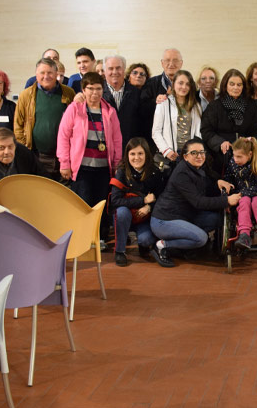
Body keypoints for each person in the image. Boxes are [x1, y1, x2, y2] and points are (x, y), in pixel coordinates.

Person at [150, 137, 241, 267]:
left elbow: (202, 189)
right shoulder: (182, 174)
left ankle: (183, 247)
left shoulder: (196, 168)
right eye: (194, 153)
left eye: (202, 152)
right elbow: (198, 202)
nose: (199, 156)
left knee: (215, 219)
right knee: (201, 238)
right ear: (185, 157)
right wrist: (226, 200)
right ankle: (162, 246)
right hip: (165, 220)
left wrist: (217, 183)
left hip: (184, 215)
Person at [57, 72, 123, 241]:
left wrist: (117, 164)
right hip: (82, 168)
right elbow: (63, 136)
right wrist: (64, 163)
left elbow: (117, 139)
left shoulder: (110, 111)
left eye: (99, 88)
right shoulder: (74, 109)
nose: (95, 92)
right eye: (91, 89)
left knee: (100, 205)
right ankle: (83, 239)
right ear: (83, 90)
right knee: (83, 204)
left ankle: (99, 239)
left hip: (103, 168)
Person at [14, 57, 75, 179]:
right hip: (37, 155)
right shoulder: (26, 95)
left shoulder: (68, 93)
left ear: (56, 74)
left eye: (50, 73)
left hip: (63, 157)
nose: (46, 76)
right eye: (42, 73)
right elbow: (18, 125)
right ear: (36, 75)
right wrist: (25, 150)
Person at [110, 137, 166, 267]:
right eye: (132, 154)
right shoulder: (122, 172)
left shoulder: (155, 172)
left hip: (144, 218)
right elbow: (116, 200)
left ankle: (143, 245)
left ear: (147, 154)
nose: (136, 158)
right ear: (127, 155)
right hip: (125, 216)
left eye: (140, 153)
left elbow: (162, 197)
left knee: (146, 240)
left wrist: (149, 207)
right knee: (122, 212)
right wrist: (143, 200)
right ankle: (120, 251)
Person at [201, 69, 257, 173]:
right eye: (232, 84)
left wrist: (254, 139)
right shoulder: (214, 106)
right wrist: (220, 142)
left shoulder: (250, 105)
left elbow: (254, 129)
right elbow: (206, 131)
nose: (236, 88)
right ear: (225, 85)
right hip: (222, 154)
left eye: (239, 85)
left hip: (245, 153)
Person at [152, 70, 202, 165]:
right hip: (169, 154)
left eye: (187, 84)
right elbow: (156, 132)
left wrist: (194, 151)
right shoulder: (163, 103)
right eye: (180, 83)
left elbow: (198, 133)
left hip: (188, 155)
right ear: (173, 84)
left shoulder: (196, 106)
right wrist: (166, 151)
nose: (184, 87)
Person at [99, 54, 147, 144]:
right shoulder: (97, 93)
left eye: (118, 68)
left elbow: (141, 124)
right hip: (104, 148)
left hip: (129, 149)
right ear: (105, 71)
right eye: (110, 68)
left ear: (124, 70)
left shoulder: (136, 93)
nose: (115, 72)